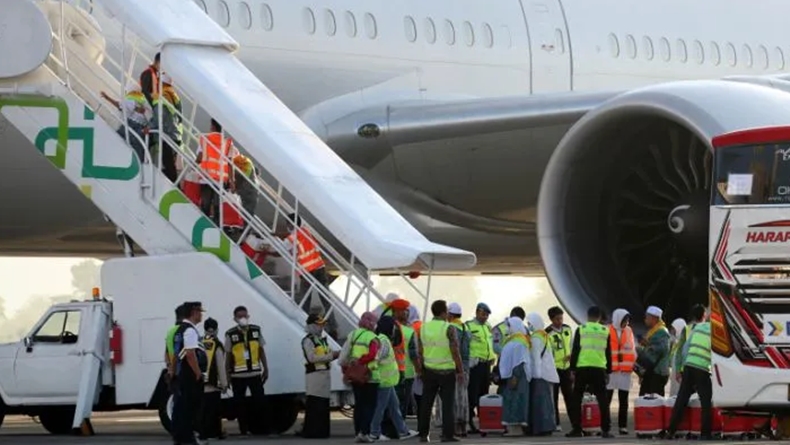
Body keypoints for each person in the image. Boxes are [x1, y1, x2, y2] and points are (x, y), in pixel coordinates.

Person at [662, 305, 712, 440]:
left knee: (681, 399)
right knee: (706, 401)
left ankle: (670, 431)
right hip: (702, 368)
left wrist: (682, 367)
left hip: (689, 366)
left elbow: (684, 349)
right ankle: (705, 433)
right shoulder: (716, 331)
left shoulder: (697, 328)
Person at [418, 299, 464, 443]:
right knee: (448, 405)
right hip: (447, 372)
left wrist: (421, 369)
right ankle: (447, 435)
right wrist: (460, 370)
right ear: (444, 312)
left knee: (426, 404)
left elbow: (420, 351)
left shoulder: (423, 328)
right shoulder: (449, 328)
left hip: (429, 371)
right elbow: (455, 351)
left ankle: (423, 434)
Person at [566, 306, 613, 439]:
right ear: (599, 317)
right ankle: (605, 430)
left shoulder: (581, 329)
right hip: (599, 368)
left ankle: (576, 429)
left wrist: (572, 369)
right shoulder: (605, 331)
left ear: (587, 316)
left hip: (583, 367)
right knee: (603, 399)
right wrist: (608, 371)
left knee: (577, 398)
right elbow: (608, 352)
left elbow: (575, 350)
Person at [369, 315, 418, 441]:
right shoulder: (384, 341)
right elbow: (376, 357)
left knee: (394, 407)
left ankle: (403, 431)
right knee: (380, 408)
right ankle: (374, 433)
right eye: (393, 327)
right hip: (384, 381)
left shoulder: (382, 339)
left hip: (388, 382)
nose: (395, 330)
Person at [224, 306, 268, 436]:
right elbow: (228, 355)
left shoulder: (256, 330)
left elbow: (261, 350)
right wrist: (227, 375)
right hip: (237, 375)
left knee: (260, 401)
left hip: (255, 373)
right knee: (239, 403)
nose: (243, 319)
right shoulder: (230, 334)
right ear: (235, 319)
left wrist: (266, 368)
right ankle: (244, 429)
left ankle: (262, 428)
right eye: (240, 317)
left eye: (245, 316)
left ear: (248, 316)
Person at [339, 311, 380, 443]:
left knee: (359, 405)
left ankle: (357, 432)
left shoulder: (353, 334)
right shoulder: (373, 337)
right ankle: (365, 432)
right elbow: (373, 354)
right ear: (372, 323)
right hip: (370, 375)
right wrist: (362, 362)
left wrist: (347, 369)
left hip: (356, 375)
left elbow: (344, 355)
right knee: (370, 406)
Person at [171, 301, 206, 445]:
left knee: (181, 407)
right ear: (194, 312)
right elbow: (191, 354)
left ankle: (180, 437)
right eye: (200, 312)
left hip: (182, 374)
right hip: (190, 375)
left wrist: (173, 371)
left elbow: (175, 354)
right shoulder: (190, 330)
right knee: (191, 408)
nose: (201, 315)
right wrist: (198, 373)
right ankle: (188, 438)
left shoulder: (178, 329)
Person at [300, 314, 338, 438]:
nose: (321, 327)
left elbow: (325, 355)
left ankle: (321, 432)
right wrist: (332, 356)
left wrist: (334, 355)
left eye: (322, 324)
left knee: (323, 406)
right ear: (311, 326)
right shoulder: (308, 340)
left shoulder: (322, 340)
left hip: (324, 376)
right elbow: (311, 358)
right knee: (315, 405)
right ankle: (312, 432)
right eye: (319, 324)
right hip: (315, 376)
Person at [100, 83, 152, 163]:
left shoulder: (131, 97)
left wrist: (107, 98)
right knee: (139, 152)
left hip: (131, 125)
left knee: (116, 139)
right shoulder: (143, 99)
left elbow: (120, 105)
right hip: (142, 128)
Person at [197, 118, 236, 225]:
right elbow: (230, 163)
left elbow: (199, 158)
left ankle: (204, 225)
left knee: (205, 204)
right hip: (220, 179)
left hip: (206, 177)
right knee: (217, 205)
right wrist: (232, 181)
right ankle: (217, 226)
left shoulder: (204, 139)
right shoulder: (228, 142)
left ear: (213, 126)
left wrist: (195, 165)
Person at [527, 312, 559, 436]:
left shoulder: (536, 337)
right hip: (548, 373)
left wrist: (536, 375)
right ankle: (548, 426)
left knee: (540, 403)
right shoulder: (544, 335)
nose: (529, 326)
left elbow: (536, 358)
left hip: (540, 374)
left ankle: (541, 428)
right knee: (547, 402)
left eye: (530, 323)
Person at [465, 302, 495, 433]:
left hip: (486, 364)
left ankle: (483, 421)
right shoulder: (468, 326)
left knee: (484, 394)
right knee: (473, 394)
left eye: (487, 315)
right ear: (477, 312)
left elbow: (490, 343)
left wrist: (492, 356)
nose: (485, 317)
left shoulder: (488, 327)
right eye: (483, 314)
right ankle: (469, 421)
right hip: (475, 365)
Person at [499, 316, 531, 436]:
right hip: (514, 376)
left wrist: (515, 376)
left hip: (516, 377)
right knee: (513, 400)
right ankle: (513, 428)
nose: (507, 328)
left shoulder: (518, 342)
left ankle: (515, 429)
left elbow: (519, 361)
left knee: (515, 401)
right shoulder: (514, 340)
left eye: (509, 326)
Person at [606, 309, 636, 435]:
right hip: (611, 370)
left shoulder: (629, 331)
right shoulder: (607, 330)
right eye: (625, 320)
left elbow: (633, 350)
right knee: (606, 400)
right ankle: (605, 425)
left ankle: (622, 426)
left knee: (624, 401)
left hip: (625, 371)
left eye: (628, 320)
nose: (627, 323)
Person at [149, 72, 181, 183]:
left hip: (167, 136)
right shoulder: (173, 95)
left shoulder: (163, 96)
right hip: (176, 135)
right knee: (169, 165)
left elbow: (159, 116)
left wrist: (149, 127)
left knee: (169, 167)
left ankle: (175, 187)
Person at [546, 306, 573, 433]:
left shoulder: (568, 329)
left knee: (569, 396)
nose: (560, 321)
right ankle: (556, 423)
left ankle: (574, 421)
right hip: (554, 369)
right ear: (551, 319)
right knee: (554, 398)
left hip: (566, 368)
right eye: (557, 319)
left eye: (561, 318)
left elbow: (572, 345)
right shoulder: (548, 333)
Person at [200, 317, 228, 441]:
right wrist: (224, 383)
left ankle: (203, 433)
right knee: (214, 410)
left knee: (202, 410)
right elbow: (220, 365)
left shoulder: (198, 342)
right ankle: (216, 433)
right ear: (216, 329)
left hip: (199, 382)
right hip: (212, 383)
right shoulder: (217, 344)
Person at [393, 300, 419, 421]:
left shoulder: (388, 328)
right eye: (404, 311)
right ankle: (400, 428)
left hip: (390, 372)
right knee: (402, 403)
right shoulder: (408, 331)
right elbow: (413, 354)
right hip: (406, 372)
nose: (406, 313)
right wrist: (419, 370)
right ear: (397, 312)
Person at [636, 306, 671, 396]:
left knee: (655, 401)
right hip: (651, 371)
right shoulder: (653, 331)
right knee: (644, 398)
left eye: (647, 317)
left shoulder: (662, 332)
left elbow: (662, 348)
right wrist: (646, 343)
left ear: (654, 318)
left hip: (658, 372)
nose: (645, 320)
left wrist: (647, 345)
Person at [447, 303, 471, 436]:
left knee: (455, 398)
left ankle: (456, 426)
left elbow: (454, 350)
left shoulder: (452, 328)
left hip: (456, 366)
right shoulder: (466, 327)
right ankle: (464, 427)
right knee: (464, 397)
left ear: (450, 314)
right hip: (466, 367)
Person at [165, 303, 188, 383]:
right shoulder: (185, 330)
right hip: (184, 374)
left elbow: (166, 353)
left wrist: (170, 368)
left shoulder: (170, 332)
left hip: (173, 375)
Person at [232, 154, 258, 220]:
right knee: (249, 213)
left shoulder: (241, 166)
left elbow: (245, 181)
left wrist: (236, 190)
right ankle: (247, 228)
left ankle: (246, 228)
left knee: (247, 213)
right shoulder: (246, 163)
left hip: (248, 191)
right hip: (251, 191)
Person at [668, 317, 688, 397]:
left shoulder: (684, 343)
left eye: (674, 329)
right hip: (674, 373)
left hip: (680, 374)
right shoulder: (676, 342)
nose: (672, 331)